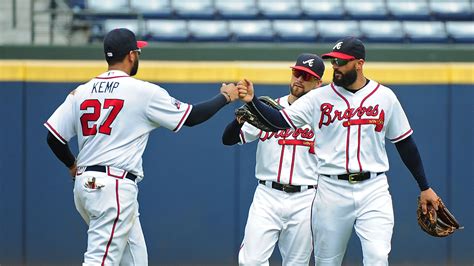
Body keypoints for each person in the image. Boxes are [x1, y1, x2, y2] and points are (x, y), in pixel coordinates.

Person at [236, 36, 440, 265]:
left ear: (359, 63)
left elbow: (404, 143)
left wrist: (425, 187)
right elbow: (279, 121)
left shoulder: (385, 97)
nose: (335, 67)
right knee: (326, 262)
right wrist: (253, 102)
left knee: (377, 257)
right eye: (333, 61)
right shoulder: (317, 98)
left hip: (374, 188)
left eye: (341, 62)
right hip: (331, 190)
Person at [44, 28, 240, 265]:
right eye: (138, 51)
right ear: (131, 56)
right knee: (99, 261)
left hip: (86, 188)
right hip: (113, 187)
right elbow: (191, 117)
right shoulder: (142, 91)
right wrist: (225, 97)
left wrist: (72, 164)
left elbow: (54, 138)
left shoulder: (81, 91)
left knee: (136, 259)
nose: (138, 55)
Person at [223, 53, 325, 265]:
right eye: (297, 73)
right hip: (267, 195)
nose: (299, 79)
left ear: (318, 83)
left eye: (306, 76)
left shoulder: (324, 118)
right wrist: (239, 120)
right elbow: (229, 139)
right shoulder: (267, 110)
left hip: (305, 199)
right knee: (250, 261)